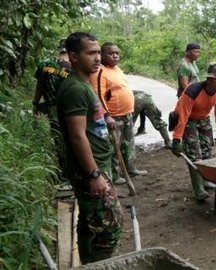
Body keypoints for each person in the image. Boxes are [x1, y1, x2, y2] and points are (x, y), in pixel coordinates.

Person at [56, 32, 123, 264]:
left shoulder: (83, 84)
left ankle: (86, 262)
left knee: (89, 222)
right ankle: (98, 266)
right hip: (90, 170)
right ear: (73, 57)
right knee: (110, 228)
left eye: (97, 53)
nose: (97, 58)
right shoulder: (74, 88)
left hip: (97, 164)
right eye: (91, 53)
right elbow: (76, 136)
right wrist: (94, 174)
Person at [90, 42, 147, 183]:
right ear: (102, 55)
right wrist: (107, 116)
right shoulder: (99, 72)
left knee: (129, 143)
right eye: (111, 53)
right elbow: (98, 95)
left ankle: (131, 168)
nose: (115, 55)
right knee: (115, 145)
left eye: (117, 53)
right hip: (113, 116)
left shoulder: (116, 69)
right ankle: (115, 175)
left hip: (127, 113)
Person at [170, 62, 216, 200]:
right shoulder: (193, 90)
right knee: (194, 153)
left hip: (203, 118)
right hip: (187, 119)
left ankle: (206, 180)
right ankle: (198, 187)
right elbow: (182, 116)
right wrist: (176, 139)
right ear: (209, 79)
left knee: (207, 150)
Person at [32, 39, 72, 181]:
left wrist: (36, 104)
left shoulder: (44, 65)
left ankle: (63, 171)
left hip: (52, 108)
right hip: (69, 108)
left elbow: (39, 86)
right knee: (73, 138)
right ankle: (70, 173)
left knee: (59, 139)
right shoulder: (72, 67)